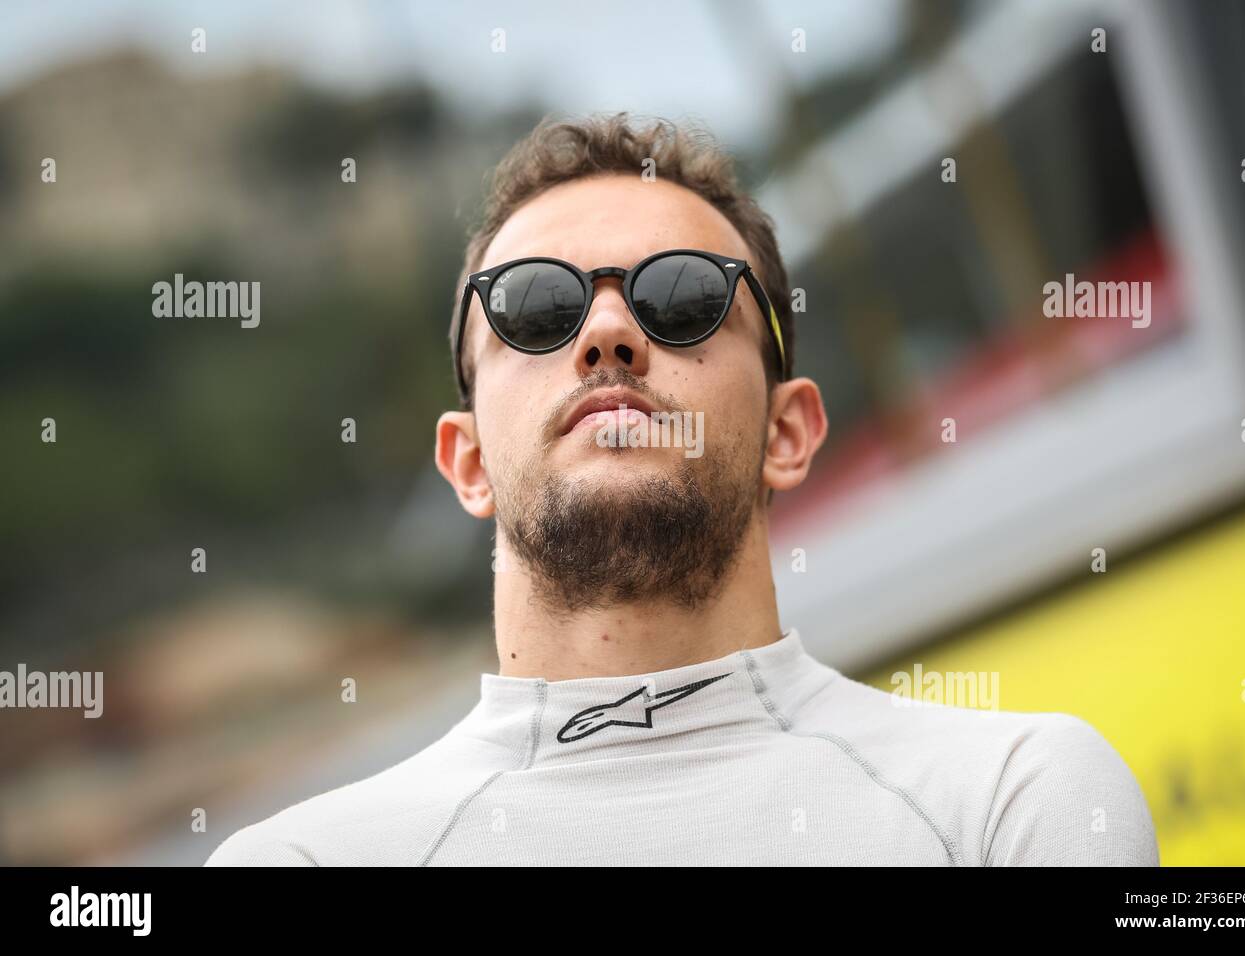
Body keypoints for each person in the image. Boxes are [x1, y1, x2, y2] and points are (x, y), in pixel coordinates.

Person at [206, 112, 1158, 866]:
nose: (610, 332)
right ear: (467, 462)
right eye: (539, 307)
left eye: (686, 298)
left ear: (788, 433)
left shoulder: (1016, 802)